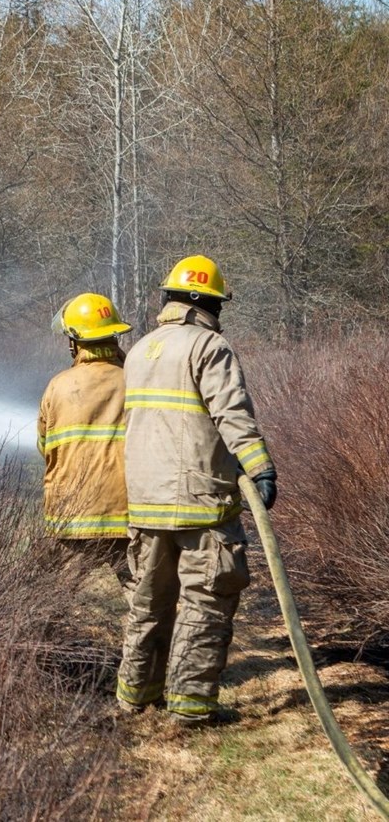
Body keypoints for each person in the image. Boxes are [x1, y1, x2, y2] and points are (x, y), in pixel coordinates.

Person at [115, 255, 277, 725]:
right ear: (207, 303)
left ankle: (134, 698)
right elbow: (232, 415)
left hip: (145, 504)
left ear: (170, 299)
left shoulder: (142, 349)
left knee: (147, 606)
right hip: (200, 503)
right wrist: (260, 468)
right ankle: (189, 709)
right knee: (205, 602)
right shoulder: (210, 347)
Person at [37, 292, 133, 589]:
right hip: (128, 514)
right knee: (146, 602)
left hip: (72, 517)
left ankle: (36, 638)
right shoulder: (134, 379)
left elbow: (44, 446)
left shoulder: (58, 386)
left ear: (74, 341)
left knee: (52, 599)